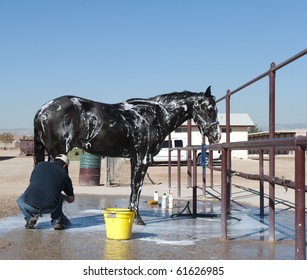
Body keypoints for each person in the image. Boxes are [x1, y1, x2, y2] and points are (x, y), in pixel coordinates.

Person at [17, 154, 75, 230]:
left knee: (20, 200)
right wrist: (63, 196)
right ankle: (57, 221)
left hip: (29, 206)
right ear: (65, 166)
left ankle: (30, 218)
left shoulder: (39, 165)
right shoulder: (64, 175)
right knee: (59, 195)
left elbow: (32, 182)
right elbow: (71, 200)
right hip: (50, 207)